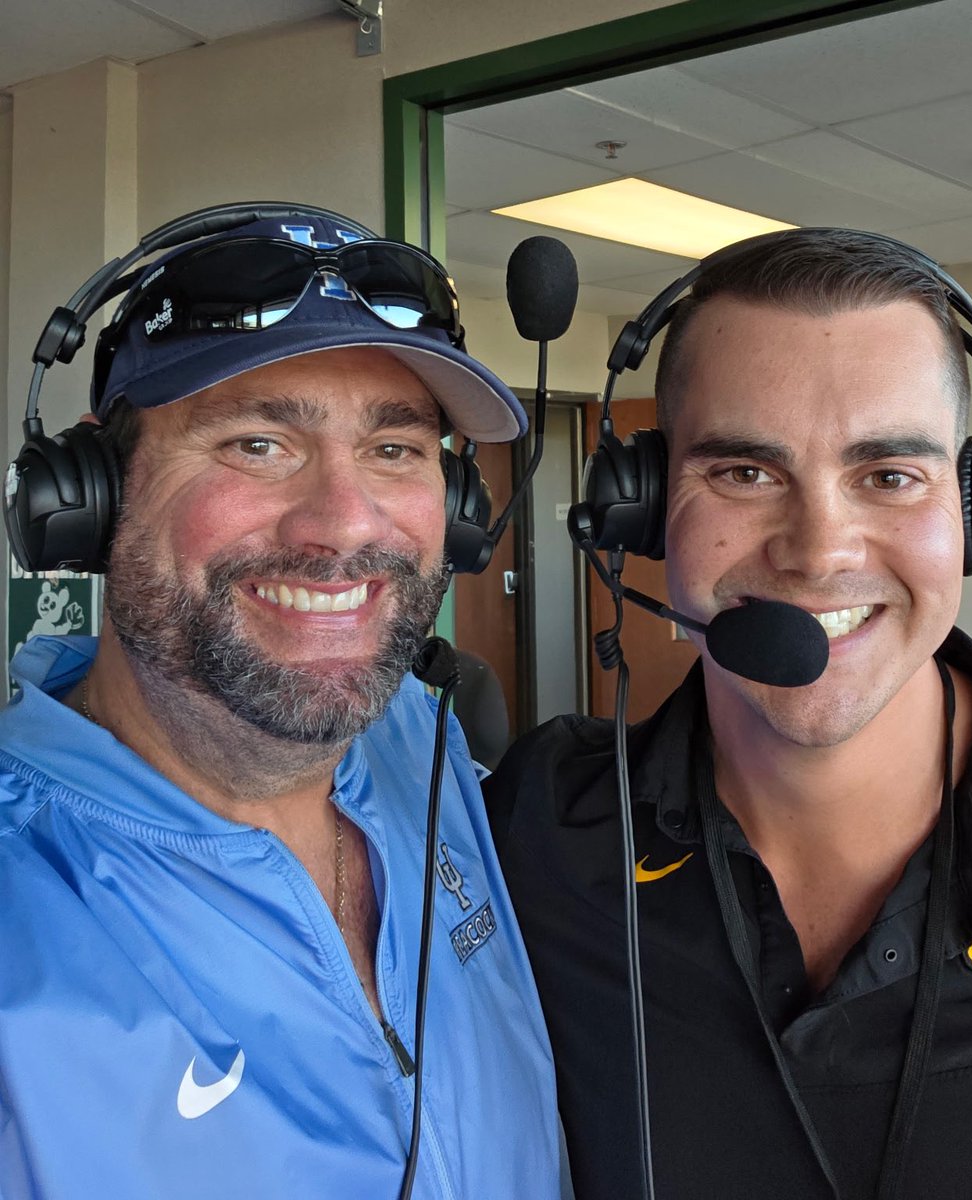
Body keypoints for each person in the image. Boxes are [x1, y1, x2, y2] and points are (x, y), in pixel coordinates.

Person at [486, 231, 972, 1200]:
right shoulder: (531, 846)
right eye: (744, 472)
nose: (818, 554)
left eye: (889, 476)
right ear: (645, 510)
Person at [0, 207, 566, 1199]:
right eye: (257, 444)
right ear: (90, 494)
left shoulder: (419, 744)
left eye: (396, 450)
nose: (343, 525)